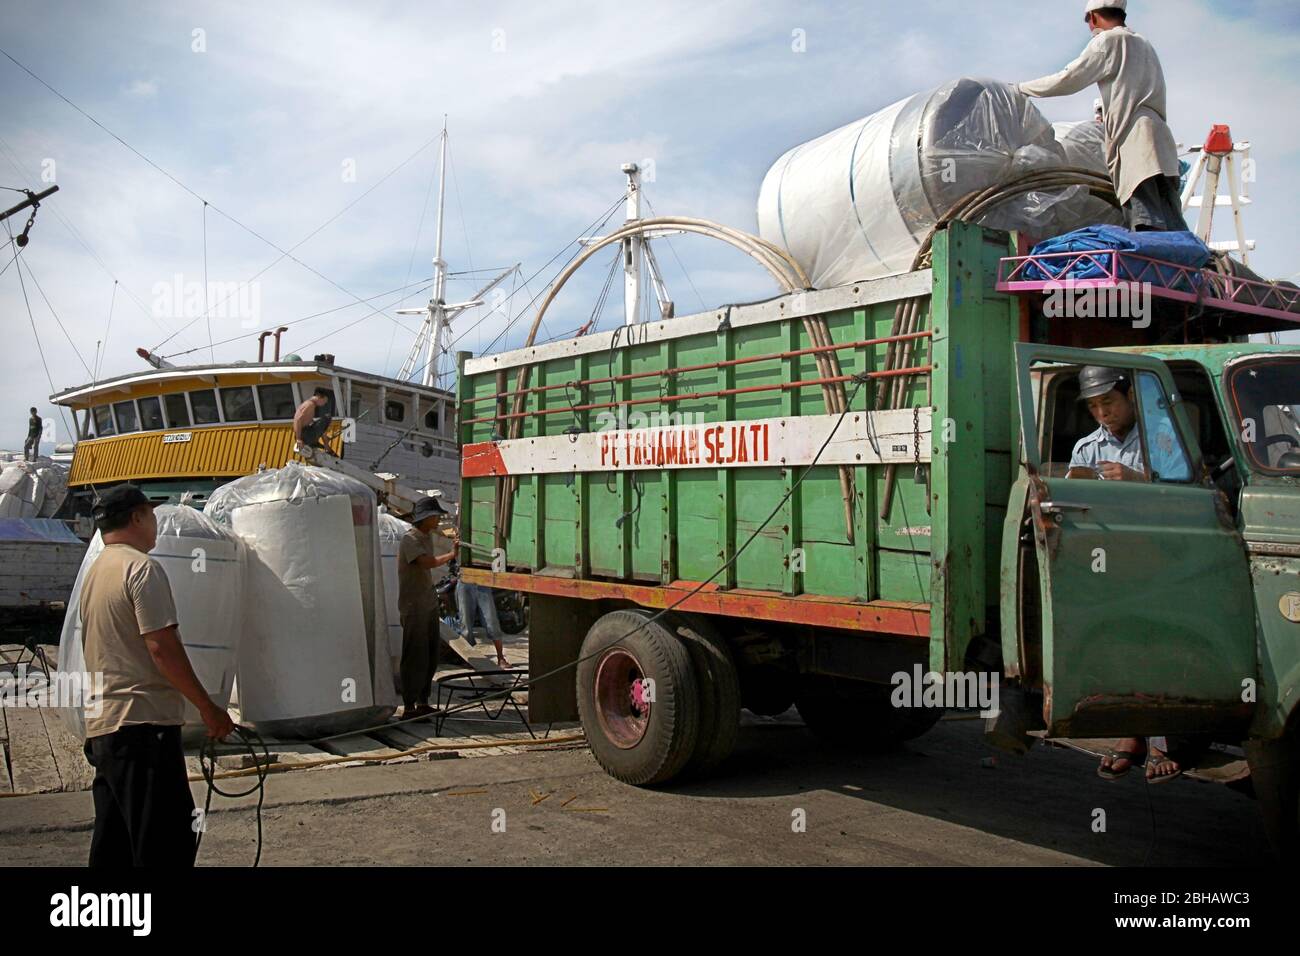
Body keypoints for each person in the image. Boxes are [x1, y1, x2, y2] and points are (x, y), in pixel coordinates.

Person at [80, 484, 235, 866]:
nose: (154, 524)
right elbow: (161, 648)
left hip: (106, 729)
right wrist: (209, 709)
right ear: (136, 517)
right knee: (165, 845)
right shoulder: (141, 568)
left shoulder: (96, 572)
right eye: (150, 515)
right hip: (142, 727)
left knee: (115, 847)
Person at [1015, 1, 1190, 232]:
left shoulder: (1108, 41)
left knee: (1145, 219)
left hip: (1135, 140)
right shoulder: (1143, 43)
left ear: (1094, 18)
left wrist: (1020, 88)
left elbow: (1069, 78)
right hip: (1161, 143)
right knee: (1172, 220)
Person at [1066, 365, 1188, 482]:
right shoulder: (1086, 449)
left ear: (1131, 395)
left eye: (1107, 402)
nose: (1102, 413)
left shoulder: (1165, 433)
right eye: (1092, 406)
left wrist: (1138, 479)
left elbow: (1183, 492)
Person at [397, 495, 456, 720]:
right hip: (414, 606)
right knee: (414, 655)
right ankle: (409, 705)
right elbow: (425, 563)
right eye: (435, 516)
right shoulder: (410, 539)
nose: (438, 520)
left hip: (427, 603)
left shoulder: (426, 537)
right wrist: (451, 555)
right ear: (425, 518)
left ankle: (423, 701)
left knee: (430, 655)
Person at [456, 579, 510, 669]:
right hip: (464, 582)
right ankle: (468, 658)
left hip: (482, 582)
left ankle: (500, 658)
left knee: (492, 621)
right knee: (465, 624)